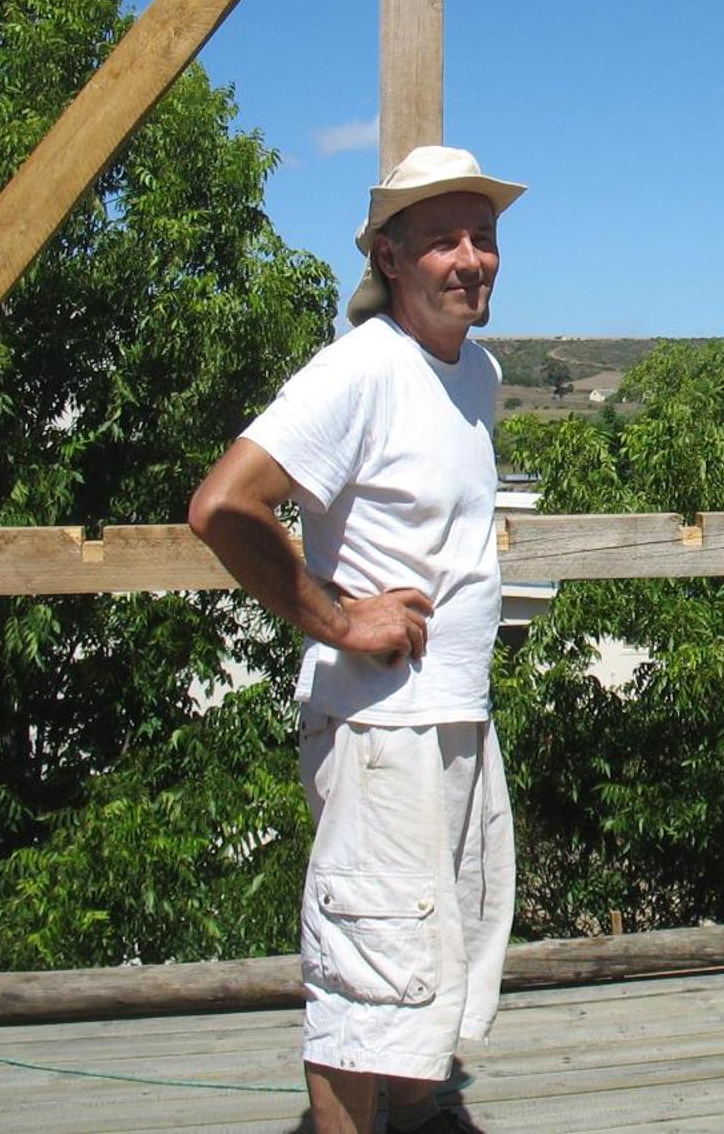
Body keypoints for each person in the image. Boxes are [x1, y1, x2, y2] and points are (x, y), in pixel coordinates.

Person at [189, 145, 525, 1134]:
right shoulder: (360, 370)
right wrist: (338, 619)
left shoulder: (478, 373)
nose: (471, 259)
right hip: (383, 737)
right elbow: (223, 506)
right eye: (441, 242)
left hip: (451, 724)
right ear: (388, 256)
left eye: (485, 236)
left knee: (425, 984)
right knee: (360, 1001)